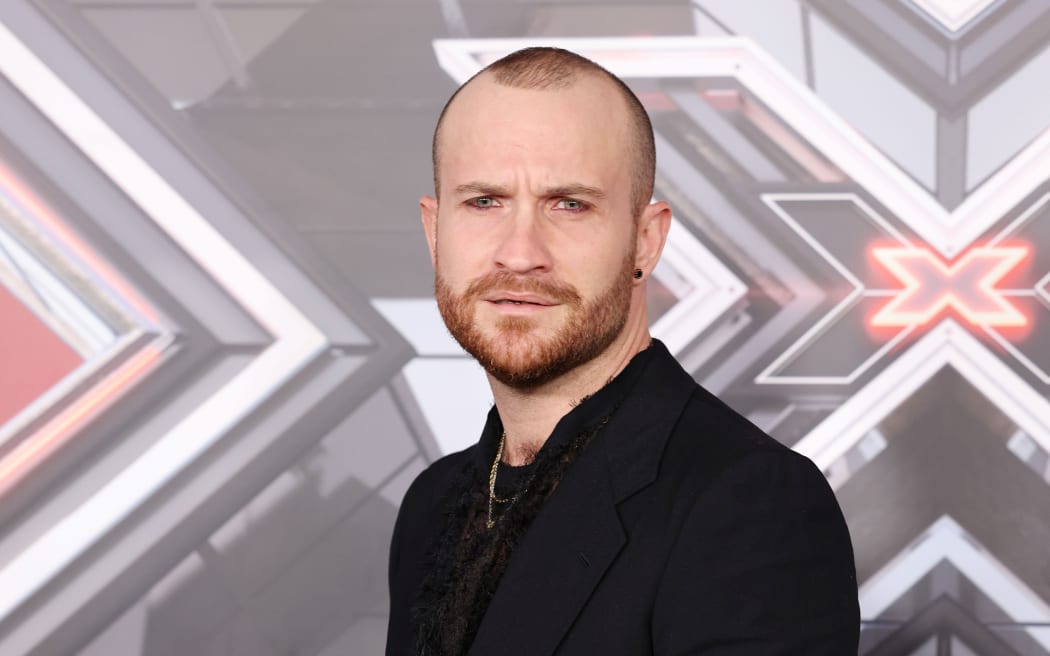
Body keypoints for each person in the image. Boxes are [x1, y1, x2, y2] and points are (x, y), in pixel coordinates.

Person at [386, 46, 859, 655]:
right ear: (434, 232)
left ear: (645, 240)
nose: (520, 251)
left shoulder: (752, 503)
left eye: (570, 204)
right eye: (484, 202)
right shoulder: (433, 502)